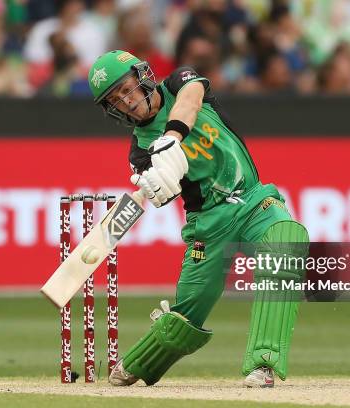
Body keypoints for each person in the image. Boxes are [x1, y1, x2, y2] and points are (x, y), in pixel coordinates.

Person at [87, 50, 309, 388]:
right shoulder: (138, 152)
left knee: (286, 242)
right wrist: (159, 181)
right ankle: (136, 363)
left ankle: (263, 364)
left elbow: (190, 101)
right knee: (185, 316)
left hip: (253, 201)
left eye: (127, 89)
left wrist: (171, 139)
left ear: (144, 76)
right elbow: (166, 194)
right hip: (208, 225)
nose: (126, 103)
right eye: (116, 100)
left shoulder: (179, 82)